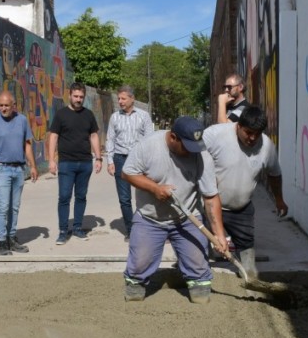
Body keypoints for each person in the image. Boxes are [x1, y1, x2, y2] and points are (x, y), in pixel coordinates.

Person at [121, 116, 228, 305]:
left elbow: (211, 197)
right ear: (173, 137)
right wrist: (154, 188)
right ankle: (136, 283)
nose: (191, 152)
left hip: (186, 218)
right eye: (186, 146)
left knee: (199, 275)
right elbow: (128, 172)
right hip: (150, 218)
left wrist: (219, 235)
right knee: (138, 270)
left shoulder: (202, 156)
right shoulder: (148, 146)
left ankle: (196, 282)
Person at [203, 105, 289, 279]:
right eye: (248, 132)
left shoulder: (266, 146)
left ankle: (249, 277)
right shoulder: (214, 135)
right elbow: (193, 160)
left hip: (241, 208)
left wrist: (279, 200)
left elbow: (274, 174)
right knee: (200, 246)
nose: (252, 138)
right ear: (239, 126)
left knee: (246, 244)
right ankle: (201, 276)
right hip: (210, 205)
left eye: (257, 134)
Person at [0, 91, 38, 256]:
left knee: (14, 207)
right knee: (3, 207)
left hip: (18, 169)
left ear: (14, 105)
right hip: (1, 169)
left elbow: (27, 145)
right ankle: (1, 243)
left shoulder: (22, 120)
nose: (3, 108)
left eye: (7, 105)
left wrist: (33, 166)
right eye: (1, 105)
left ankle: (12, 239)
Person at [47, 82, 103, 245]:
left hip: (85, 163)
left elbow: (93, 136)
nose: (78, 99)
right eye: (76, 96)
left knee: (81, 196)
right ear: (69, 95)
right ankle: (63, 231)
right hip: (66, 163)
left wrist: (98, 158)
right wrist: (51, 160)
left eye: (81, 97)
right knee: (64, 197)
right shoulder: (61, 115)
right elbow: (53, 137)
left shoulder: (89, 115)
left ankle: (77, 228)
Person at [105, 85, 154, 241]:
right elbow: (110, 139)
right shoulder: (114, 117)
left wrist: (150, 161)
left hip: (140, 160)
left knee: (147, 194)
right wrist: (110, 161)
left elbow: (150, 139)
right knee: (124, 198)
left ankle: (150, 227)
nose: (120, 101)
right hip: (120, 159)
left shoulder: (143, 116)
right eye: (119, 98)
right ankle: (131, 230)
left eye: (123, 98)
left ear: (132, 98)